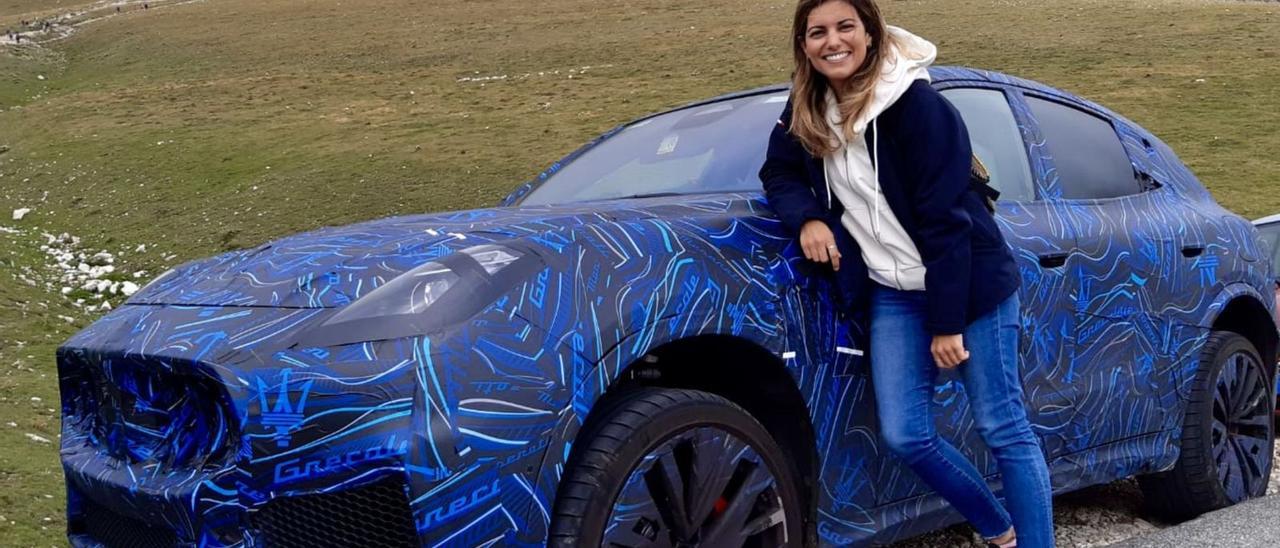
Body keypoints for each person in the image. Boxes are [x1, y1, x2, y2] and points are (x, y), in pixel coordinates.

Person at [759, 1, 1055, 546]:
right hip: (894, 292)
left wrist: (947, 324)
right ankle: (998, 528)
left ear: (870, 33)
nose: (833, 42)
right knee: (906, 435)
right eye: (817, 32)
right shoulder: (807, 107)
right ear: (803, 45)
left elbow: (947, 223)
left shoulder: (917, 106)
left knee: (1003, 427)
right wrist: (808, 220)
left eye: (845, 27)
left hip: (969, 286)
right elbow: (777, 170)